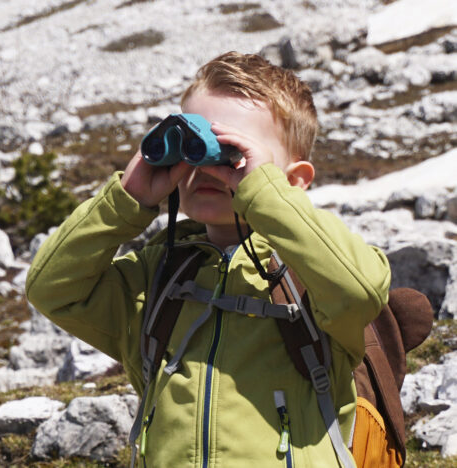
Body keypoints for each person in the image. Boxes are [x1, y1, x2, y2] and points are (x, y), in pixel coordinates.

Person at [26, 51, 391, 467]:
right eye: (193, 149)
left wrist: (266, 196)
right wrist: (126, 199)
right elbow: (52, 290)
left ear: (293, 180)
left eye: (230, 152)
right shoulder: (158, 275)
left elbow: (358, 290)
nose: (208, 169)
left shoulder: (311, 271)